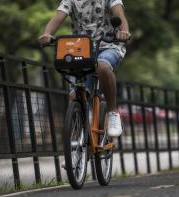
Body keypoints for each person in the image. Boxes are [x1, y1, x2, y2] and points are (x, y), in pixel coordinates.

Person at [38, 0, 131, 137]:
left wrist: (124, 31)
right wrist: (47, 34)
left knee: (102, 66)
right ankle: (82, 140)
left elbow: (118, 12)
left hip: (109, 45)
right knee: (75, 96)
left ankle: (112, 112)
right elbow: (59, 15)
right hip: (82, 50)